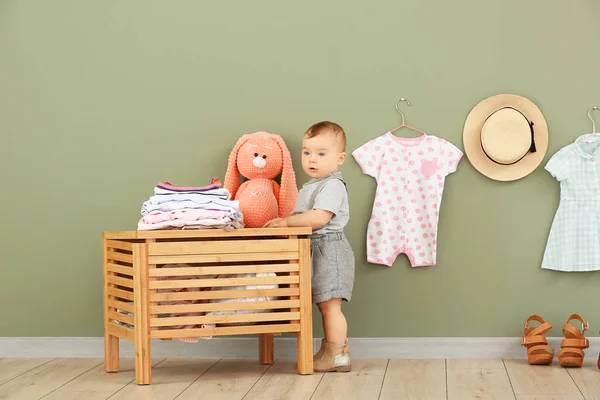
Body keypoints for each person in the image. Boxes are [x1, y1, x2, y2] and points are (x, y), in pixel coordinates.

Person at [264, 121, 355, 372]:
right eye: (307, 152)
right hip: (315, 249)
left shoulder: (333, 185)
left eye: (321, 153)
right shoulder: (312, 185)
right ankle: (329, 352)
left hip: (330, 250)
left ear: (340, 158)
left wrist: (287, 222)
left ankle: (338, 354)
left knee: (330, 305)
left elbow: (319, 218)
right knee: (322, 304)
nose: (312, 159)